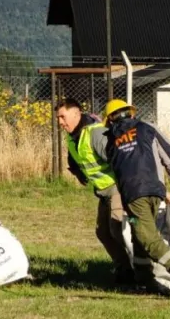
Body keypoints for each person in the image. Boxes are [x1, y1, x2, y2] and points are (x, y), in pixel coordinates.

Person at [103, 99, 170, 297]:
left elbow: (117, 172)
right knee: (138, 234)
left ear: (110, 120)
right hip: (154, 193)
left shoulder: (111, 141)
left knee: (148, 239)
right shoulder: (147, 128)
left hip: (133, 197)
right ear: (131, 113)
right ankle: (144, 281)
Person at [56, 98, 134, 285]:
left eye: (62, 117)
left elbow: (119, 159)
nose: (60, 122)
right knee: (103, 233)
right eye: (58, 118)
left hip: (117, 187)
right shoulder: (73, 136)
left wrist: (129, 189)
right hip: (103, 191)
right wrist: (77, 172)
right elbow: (76, 157)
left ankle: (139, 269)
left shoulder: (96, 133)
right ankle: (124, 269)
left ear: (76, 113)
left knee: (117, 229)